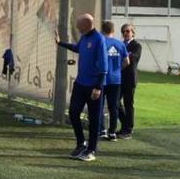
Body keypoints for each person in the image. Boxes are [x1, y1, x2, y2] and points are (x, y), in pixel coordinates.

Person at [55, 13, 108, 162]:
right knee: (73, 113)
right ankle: (81, 143)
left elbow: (104, 67)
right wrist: (60, 43)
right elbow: (77, 48)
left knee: (94, 118)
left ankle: (91, 150)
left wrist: (98, 87)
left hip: (93, 86)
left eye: (79, 24)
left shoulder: (99, 40)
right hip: (80, 84)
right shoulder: (84, 37)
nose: (77, 26)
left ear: (86, 24)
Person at [100, 21, 129, 142]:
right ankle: (112, 132)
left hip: (102, 79)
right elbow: (127, 62)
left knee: (99, 106)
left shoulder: (101, 43)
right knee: (114, 107)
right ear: (113, 30)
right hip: (116, 80)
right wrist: (117, 69)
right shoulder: (120, 44)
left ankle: (101, 130)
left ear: (102, 30)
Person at [118, 23, 141, 139]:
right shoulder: (121, 44)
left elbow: (133, 57)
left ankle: (128, 129)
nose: (125, 33)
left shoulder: (137, 45)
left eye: (127, 31)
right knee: (115, 102)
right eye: (123, 32)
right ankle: (125, 125)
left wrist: (123, 54)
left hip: (130, 79)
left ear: (133, 33)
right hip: (119, 78)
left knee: (128, 104)